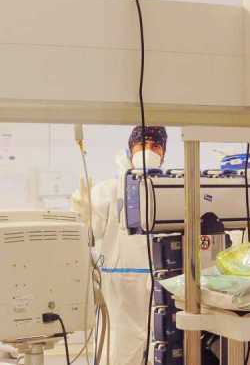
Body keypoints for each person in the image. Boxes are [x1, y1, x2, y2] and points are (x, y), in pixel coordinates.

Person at [71, 125, 167, 365]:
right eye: (142, 144)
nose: (148, 151)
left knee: (159, 348)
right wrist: (82, 213)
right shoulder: (108, 191)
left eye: (155, 146)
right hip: (119, 288)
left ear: (164, 153)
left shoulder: (170, 189)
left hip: (161, 285)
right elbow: (87, 235)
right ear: (130, 148)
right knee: (118, 352)